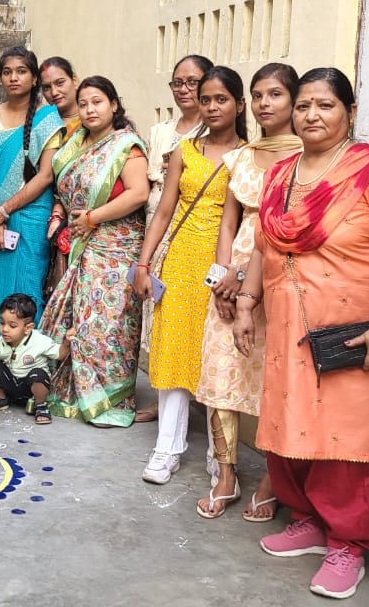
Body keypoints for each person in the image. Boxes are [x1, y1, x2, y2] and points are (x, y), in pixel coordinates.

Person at [231, 67, 369, 600]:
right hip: (289, 330)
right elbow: (264, 247)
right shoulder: (281, 173)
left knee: (352, 436)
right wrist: (246, 304)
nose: (312, 115)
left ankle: (348, 545)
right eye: (304, 105)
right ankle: (310, 521)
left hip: (355, 334)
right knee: (292, 426)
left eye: (326, 105)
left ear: (350, 112)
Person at [196, 63, 302, 520]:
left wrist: (244, 277)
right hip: (232, 271)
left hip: (281, 272)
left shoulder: (308, 156)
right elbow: (229, 222)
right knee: (222, 373)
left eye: (275, 94)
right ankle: (226, 475)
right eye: (258, 95)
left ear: (294, 100)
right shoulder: (241, 157)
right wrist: (222, 276)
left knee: (277, 381)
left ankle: (272, 480)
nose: (264, 103)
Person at [134, 65, 245, 485]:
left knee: (218, 358)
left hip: (225, 269)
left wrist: (231, 273)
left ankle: (221, 455)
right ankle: (167, 448)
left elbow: (238, 222)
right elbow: (164, 211)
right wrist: (143, 263)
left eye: (222, 99)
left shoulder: (247, 157)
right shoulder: (184, 150)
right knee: (173, 355)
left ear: (239, 105)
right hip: (180, 263)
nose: (213, 107)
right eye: (206, 99)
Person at [38, 76, 149, 427]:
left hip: (117, 246)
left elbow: (138, 193)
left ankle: (112, 399)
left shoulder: (126, 145)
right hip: (81, 242)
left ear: (114, 105)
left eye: (97, 102)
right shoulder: (75, 144)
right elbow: (62, 190)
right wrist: (62, 215)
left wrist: (92, 218)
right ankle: (78, 392)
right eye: (84, 104)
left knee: (111, 323)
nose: (90, 110)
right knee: (82, 320)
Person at [0, 46, 66, 382]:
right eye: (7, 71)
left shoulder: (46, 118)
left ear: (34, 78)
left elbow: (46, 175)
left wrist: (4, 211)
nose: (14, 77)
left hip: (31, 216)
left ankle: (28, 376)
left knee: (27, 290)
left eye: (21, 71)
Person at [136, 54, 214, 423]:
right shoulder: (160, 132)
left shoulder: (216, 131)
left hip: (194, 232)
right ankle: (164, 395)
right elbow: (151, 179)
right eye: (177, 83)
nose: (184, 90)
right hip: (157, 223)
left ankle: (200, 395)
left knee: (195, 318)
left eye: (192, 82)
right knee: (158, 315)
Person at [0, 293, 65, 425]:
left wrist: (67, 343)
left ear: (28, 328)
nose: (5, 329)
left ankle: (40, 405)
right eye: (2, 323)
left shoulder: (39, 341)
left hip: (31, 389)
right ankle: (1, 399)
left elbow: (60, 354)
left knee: (38, 374)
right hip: (11, 386)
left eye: (12, 326)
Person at [40, 56, 81, 141]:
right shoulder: (42, 124)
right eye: (46, 88)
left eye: (60, 83)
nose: (54, 93)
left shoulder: (92, 119)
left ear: (74, 81)